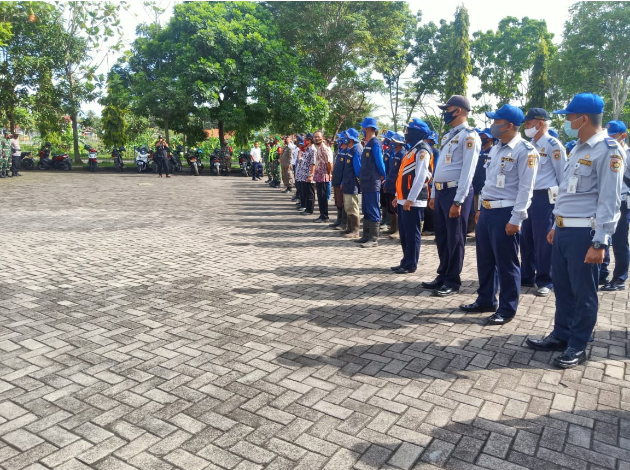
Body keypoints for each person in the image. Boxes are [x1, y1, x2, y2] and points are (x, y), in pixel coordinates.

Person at [526, 93, 623, 369]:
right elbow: (567, 192)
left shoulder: (609, 150)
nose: (567, 120)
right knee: (564, 289)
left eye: (570, 116)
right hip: (564, 230)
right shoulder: (579, 148)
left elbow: (609, 199)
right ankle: (561, 334)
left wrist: (601, 241)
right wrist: (557, 224)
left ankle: (578, 345)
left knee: (584, 293)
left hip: (585, 235)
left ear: (584, 118)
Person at [460, 104, 538, 325]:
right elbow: (489, 182)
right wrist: (480, 208)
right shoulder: (496, 148)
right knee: (485, 260)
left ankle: (507, 308)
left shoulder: (525, 151)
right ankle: (485, 299)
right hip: (487, 211)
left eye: (496, 121)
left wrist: (516, 219)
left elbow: (526, 188)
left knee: (507, 263)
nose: (493, 125)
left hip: (506, 213)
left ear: (509, 125)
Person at [423, 95, 480, 297]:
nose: (445, 112)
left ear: (459, 111)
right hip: (442, 192)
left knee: (455, 238)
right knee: (442, 237)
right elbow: (440, 166)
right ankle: (442, 274)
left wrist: (459, 200)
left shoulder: (470, 136)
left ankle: (452, 281)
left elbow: (468, 171)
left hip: (456, 193)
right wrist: (434, 193)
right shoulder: (449, 136)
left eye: (449, 109)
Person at [521, 108, 567, 297]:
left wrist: (559, 206)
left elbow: (563, 177)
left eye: (529, 123)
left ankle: (545, 279)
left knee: (543, 240)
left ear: (540, 123)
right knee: (526, 238)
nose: (526, 126)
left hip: (545, 198)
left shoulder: (553, 145)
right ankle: (526, 275)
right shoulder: (529, 145)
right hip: (529, 196)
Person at [390, 119, 432, 274]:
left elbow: (421, 176)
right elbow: (403, 175)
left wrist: (410, 198)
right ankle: (405, 260)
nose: (406, 133)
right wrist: (397, 195)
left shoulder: (422, 150)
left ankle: (411, 263)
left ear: (417, 132)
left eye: (409, 130)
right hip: (404, 198)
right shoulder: (412, 149)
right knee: (404, 233)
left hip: (413, 200)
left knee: (412, 233)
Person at [600, 120, 630, 291]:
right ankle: (602, 273)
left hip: (623, 202)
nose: (608, 139)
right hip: (606, 201)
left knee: (619, 242)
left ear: (622, 136)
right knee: (602, 238)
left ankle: (619, 278)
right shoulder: (605, 151)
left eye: (612, 136)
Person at [356, 117, 386, 248]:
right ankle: (366, 236)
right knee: (366, 209)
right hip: (366, 181)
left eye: (363, 127)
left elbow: (380, 162)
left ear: (368, 128)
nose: (362, 129)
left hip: (373, 181)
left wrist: (383, 174)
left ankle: (373, 239)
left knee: (373, 209)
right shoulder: (367, 143)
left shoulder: (375, 143)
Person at [469, 128, 494, 233]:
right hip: (475, 185)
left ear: (490, 138)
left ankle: (481, 231)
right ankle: (476, 230)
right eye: (481, 136)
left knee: (481, 209)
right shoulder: (479, 151)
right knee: (475, 209)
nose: (481, 138)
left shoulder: (493, 151)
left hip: (485, 187)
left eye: (484, 136)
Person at [383, 132, 406, 239]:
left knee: (396, 208)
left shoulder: (402, 154)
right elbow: (390, 170)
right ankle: (392, 227)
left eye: (393, 141)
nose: (390, 142)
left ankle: (398, 230)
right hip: (390, 183)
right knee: (390, 207)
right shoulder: (394, 153)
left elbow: (401, 173)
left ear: (398, 143)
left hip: (396, 185)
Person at [341, 128, 362, 239]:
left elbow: (358, 169)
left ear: (351, 139)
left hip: (352, 183)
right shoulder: (350, 149)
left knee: (353, 206)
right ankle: (349, 227)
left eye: (346, 137)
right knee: (348, 206)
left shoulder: (356, 150)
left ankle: (355, 230)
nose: (344, 138)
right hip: (347, 182)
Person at [313, 130, 333, 222]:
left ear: (322, 138)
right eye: (315, 136)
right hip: (318, 176)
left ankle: (325, 216)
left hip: (324, 176)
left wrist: (329, 174)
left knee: (323, 196)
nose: (316, 138)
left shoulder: (324, 148)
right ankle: (322, 215)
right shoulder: (317, 148)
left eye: (318, 136)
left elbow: (329, 162)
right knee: (320, 197)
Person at [329, 132, 347, 229]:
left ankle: (344, 222)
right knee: (338, 201)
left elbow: (346, 169)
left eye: (341, 139)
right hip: (336, 180)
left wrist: (342, 182)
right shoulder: (340, 151)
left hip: (341, 181)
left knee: (342, 202)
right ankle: (339, 219)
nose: (338, 141)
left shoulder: (347, 151)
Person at [296, 133, 316, 215]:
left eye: (306, 139)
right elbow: (301, 161)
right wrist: (300, 153)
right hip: (303, 174)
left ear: (310, 140)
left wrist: (311, 175)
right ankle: (306, 207)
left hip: (308, 174)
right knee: (305, 192)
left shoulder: (313, 150)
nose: (305, 141)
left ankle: (309, 209)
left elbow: (313, 163)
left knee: (310, 193)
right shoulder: (306, 148)